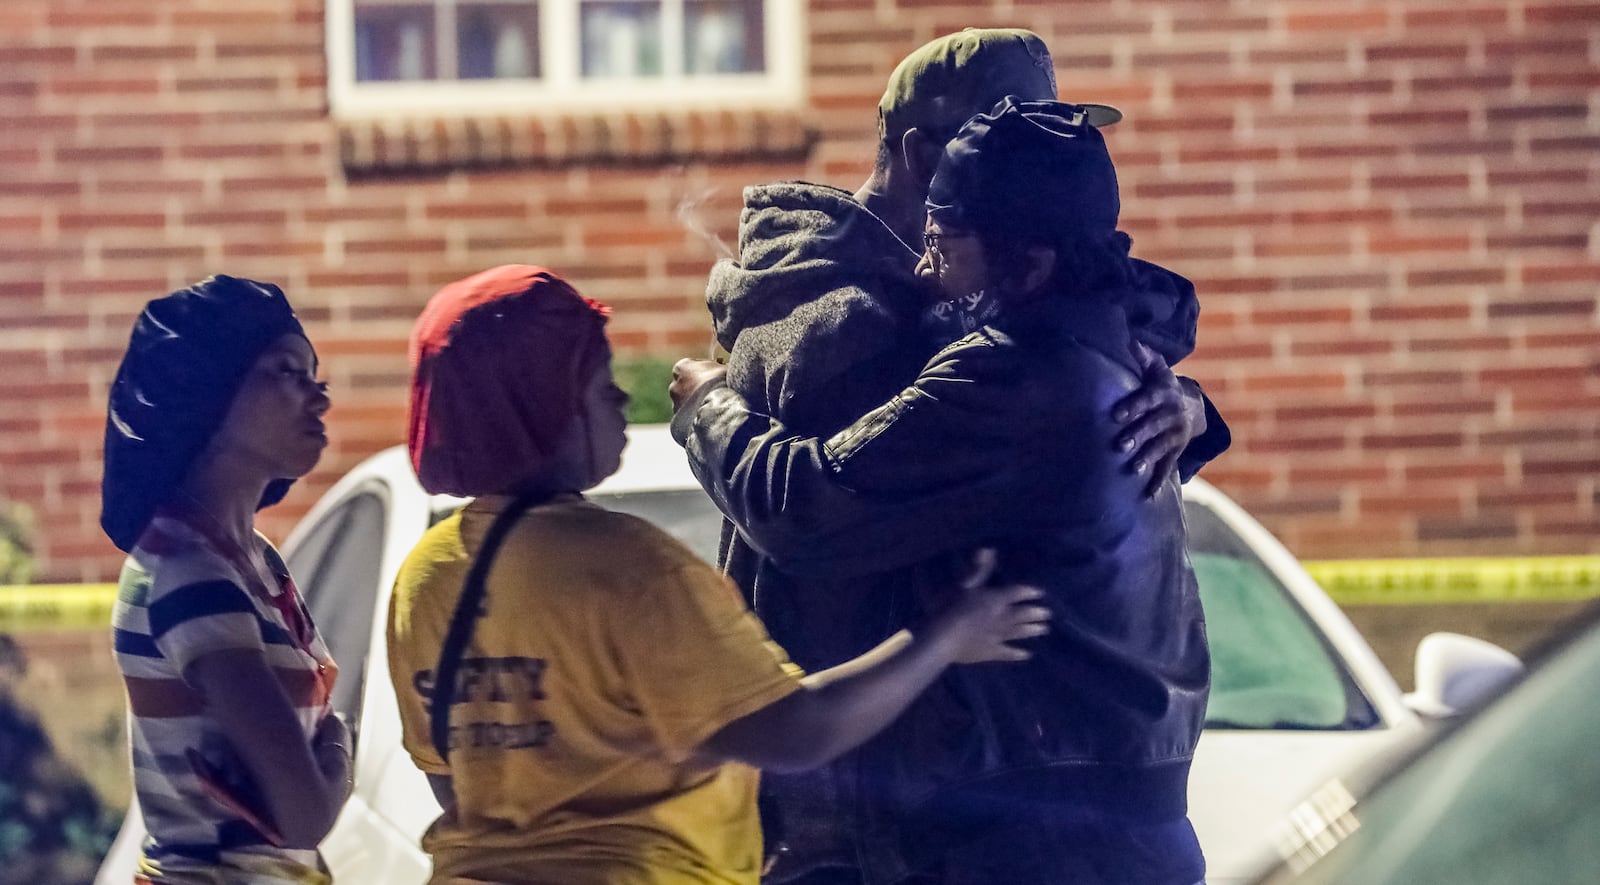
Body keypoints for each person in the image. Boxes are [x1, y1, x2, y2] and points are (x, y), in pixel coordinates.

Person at [676, 28, 1225, 884]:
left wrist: (1188, 409)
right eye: (1005, 132)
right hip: (886, 821)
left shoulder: (1031, 342)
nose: (1040, 165)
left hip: (1043, 812)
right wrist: (709, 405)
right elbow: (808, 513)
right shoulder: (850, 323)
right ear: (928, 153)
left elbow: (1068, 463)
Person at [384, 264, 1051, 885]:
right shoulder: (629, 567)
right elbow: (797, 731)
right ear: (545, 406)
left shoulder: (426, 576)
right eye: (596, 380)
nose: (618, 395)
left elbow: (458, 780)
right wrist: (947, 634)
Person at [101, 276, 350, 884]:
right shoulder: (190, 573)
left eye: (314, 374)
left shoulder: (253, 561)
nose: (318, 397)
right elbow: (305, 814)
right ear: (205, 393)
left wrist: (327, 763)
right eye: (287, 371)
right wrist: (340, 754)